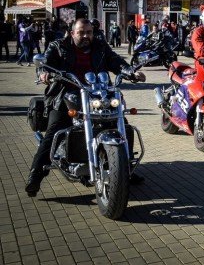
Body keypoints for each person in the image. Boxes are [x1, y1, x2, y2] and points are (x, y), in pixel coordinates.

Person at [25, 18, 146, 197]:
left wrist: (130, 72)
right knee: (55, 128)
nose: (85, 36)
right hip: (65, 95)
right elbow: (46, 63)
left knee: (121, 123)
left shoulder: (100, 46)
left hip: (98, 95)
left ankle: (123, 167)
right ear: (72, 32)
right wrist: (44, 73)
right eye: (81, 32)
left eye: (88, 32)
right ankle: (35, 174)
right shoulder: (59, 46)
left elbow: (115, 60)